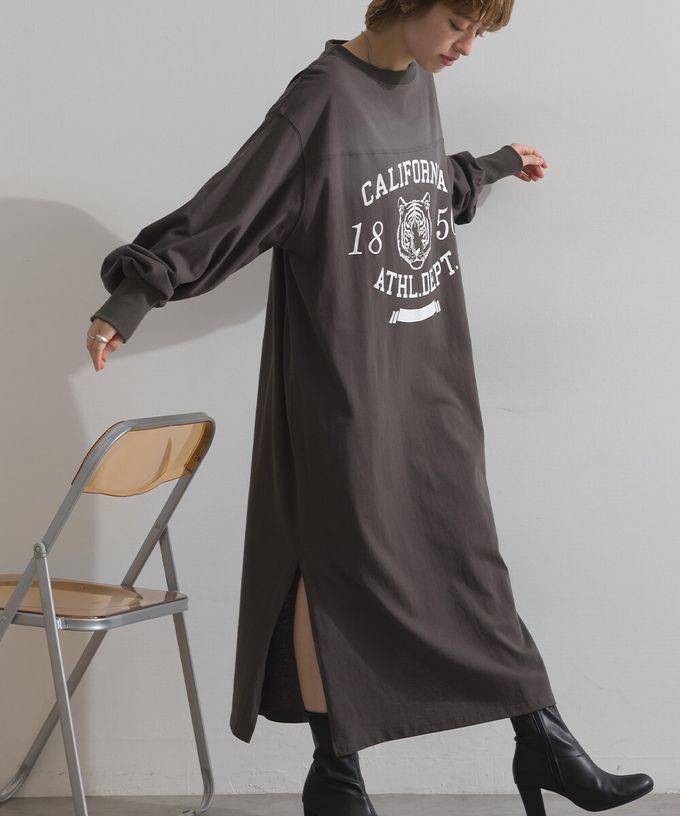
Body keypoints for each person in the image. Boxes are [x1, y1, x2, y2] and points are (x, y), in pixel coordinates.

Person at [86, 2, 654, 814]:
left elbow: (404, 191)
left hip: (428, 373)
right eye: (459, 23)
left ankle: (542, 740)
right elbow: (236, 202)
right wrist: (135, 296)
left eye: (480, 33)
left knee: (465, 553)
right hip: (343, 376)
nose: (466, 46)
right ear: (410, 2)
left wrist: (491, 166)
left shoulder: (418, 84)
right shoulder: (319, 97)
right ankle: (339, 774)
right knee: (336, 559)